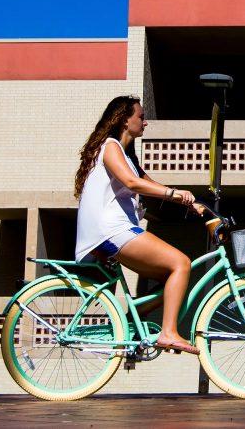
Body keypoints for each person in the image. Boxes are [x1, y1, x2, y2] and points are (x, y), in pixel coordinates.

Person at [74, 95, 206, 355]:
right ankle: (168, 333)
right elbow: (133, 184)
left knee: (172, 277)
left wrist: (191, 203)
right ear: (125, 119)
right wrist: (175, 193)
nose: (145, 123)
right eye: (141, 117)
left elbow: (151, 187)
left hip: (113, 230)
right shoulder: (110, 146)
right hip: (110, 230)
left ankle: (126, 318)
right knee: (181, 263)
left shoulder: (127, 156)